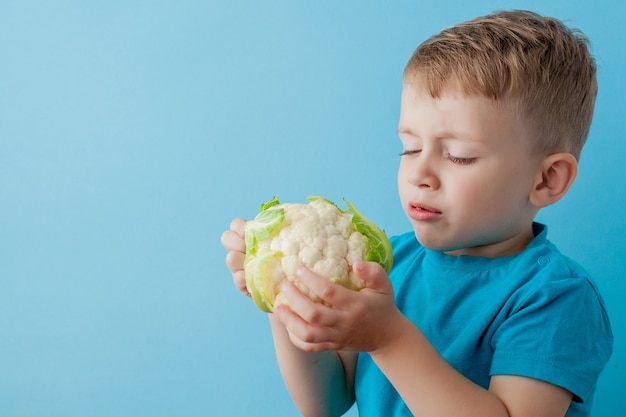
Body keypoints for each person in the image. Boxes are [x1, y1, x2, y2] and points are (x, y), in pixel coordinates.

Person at [221, 10, 613, 417]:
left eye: (459, 156)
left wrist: (389, 339)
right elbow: (326, 402)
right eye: (409, 148)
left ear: (548, 180)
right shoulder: (385, 263)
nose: (420, 174)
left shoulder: (554, 297)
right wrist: (280, 291)